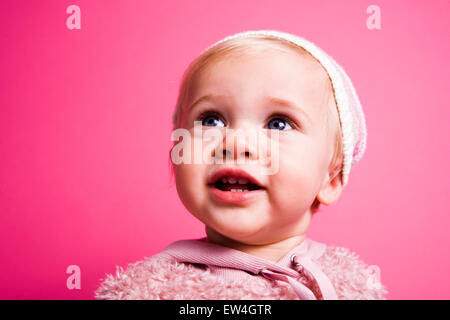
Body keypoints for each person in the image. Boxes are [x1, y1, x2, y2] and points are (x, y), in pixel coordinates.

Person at [95, 30, 387, 300]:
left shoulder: (350, 287)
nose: (236, 143)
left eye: (279, 123)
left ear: (331, 177)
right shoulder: (149, 291)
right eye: (211, 120)